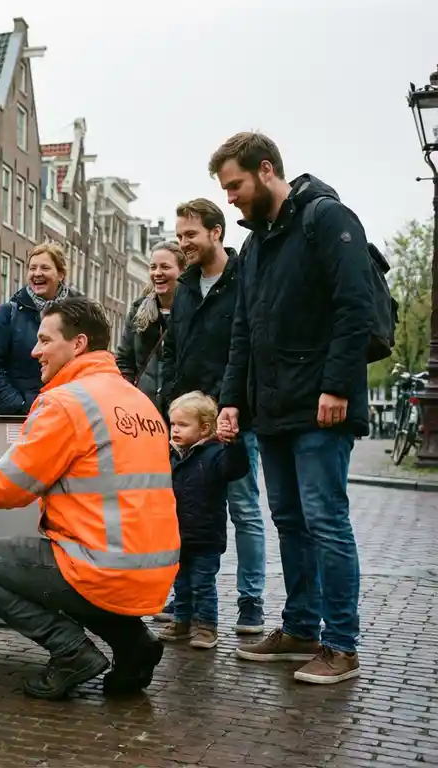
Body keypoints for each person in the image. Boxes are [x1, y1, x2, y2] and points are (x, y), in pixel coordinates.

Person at [0, 297, 179, 701]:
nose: (35, 351)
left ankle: (71, 653)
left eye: (45, 340)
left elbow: (6, 488)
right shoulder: (139, 401)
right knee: (64, 563)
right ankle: (133, 642)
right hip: (152, 570)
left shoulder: (67, 402)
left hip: (101, 567)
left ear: (79, 344)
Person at [211, 131, 372, 684]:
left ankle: (342, 646)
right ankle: (301, 628)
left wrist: (338, 385)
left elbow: (357, 306)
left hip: (322, 405)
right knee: (289, 522)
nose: (229, 197)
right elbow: (243, 333)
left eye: (234, 185)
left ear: (265, 169)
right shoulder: (255, 248)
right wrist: (232, 400)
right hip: (273, 409)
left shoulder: (325, 218)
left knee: (326, 521)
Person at [160, 198, 267, 635]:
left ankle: (250, 601)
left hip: (232, 412)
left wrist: (230, 403)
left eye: (191, 235)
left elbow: (249, 345)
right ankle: (186, 601)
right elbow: (172, 348)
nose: (184, 243)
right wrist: (170, 400)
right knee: (185, 507)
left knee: (243, 508)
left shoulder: (244, 278)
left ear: (216, 232)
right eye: (180, 235)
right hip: (189, 414)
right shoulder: (185, 286)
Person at [158, 392, 250, 651]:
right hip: (177, 535)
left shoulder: (216, 453)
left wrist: (234, 443)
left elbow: (236, 468)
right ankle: (181, 622)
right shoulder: (172, 455)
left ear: (205, 428)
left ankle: (207, 626)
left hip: (206, 536)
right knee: (181, 583)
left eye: (183, 425)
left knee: (203, 584)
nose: (175, 430)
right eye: (173, 424)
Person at [0, 243, 77, 415]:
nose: (37, 273)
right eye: (32, 268)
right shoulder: (9, 313)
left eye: (45, 267)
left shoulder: (80, 312)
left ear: (61, 274)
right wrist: (20, 405)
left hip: (69, 413)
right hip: (23, 417)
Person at [115, 241, 186, 412]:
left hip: (182, 412)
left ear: (183, 271)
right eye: (153, 267)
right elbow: (125, 359)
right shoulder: (138, 311)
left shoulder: (194, 311)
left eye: (165, 267)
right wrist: (128, 395)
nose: (157, 273)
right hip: (144, 410)